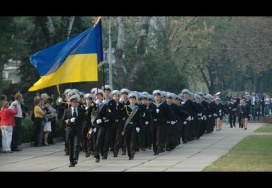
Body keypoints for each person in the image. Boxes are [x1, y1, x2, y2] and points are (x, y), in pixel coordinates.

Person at [62, 94, 87, 167]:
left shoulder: (81, 110)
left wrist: (92, 126)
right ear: (71, 103)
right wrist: (69, 120)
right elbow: (63, 121)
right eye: (75, 102)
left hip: (78, 130)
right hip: (70, 130)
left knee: (77, 144)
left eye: (77, 102)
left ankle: (75, 158)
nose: (76, 103)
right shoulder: (67, 111)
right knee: (71, 146)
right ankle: (71, 161)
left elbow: (86, 119)